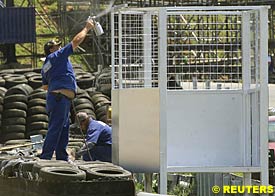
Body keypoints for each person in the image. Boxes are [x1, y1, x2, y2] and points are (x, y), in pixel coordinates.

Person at [40, 19, 94, 161]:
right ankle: (45, 158)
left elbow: (45, 86)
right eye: (57, 46)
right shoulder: (56, 56)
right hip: (59, 99)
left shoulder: (46, 65)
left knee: (63, 130)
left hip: (59, 99)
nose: (60, 47)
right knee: (56, 128)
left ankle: (62, 158)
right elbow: (76, 41)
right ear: (51, 50)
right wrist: (87, 28)